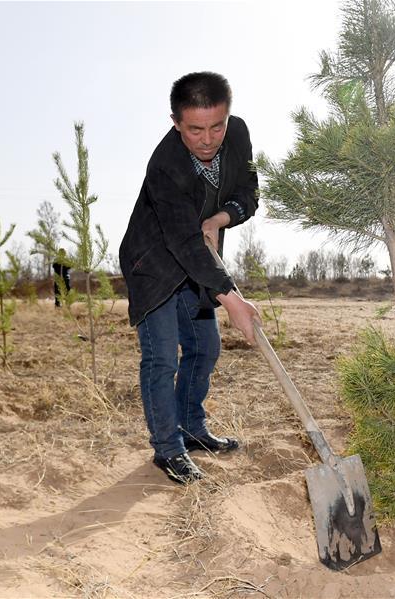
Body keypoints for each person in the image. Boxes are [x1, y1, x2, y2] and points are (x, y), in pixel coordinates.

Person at [119, 72, 261, 484]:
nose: (208, 138)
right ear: (176, 122)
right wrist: (231, 298)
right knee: (162, 358)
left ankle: (191, 429)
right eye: (195, 129)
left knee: (205, 348)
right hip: (156, 265)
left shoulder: (238, 134)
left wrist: (220, 217)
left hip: (200, 259)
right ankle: (167, 450)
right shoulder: (165, 166)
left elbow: (249, 191)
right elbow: (182, 241)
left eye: (216, 125)